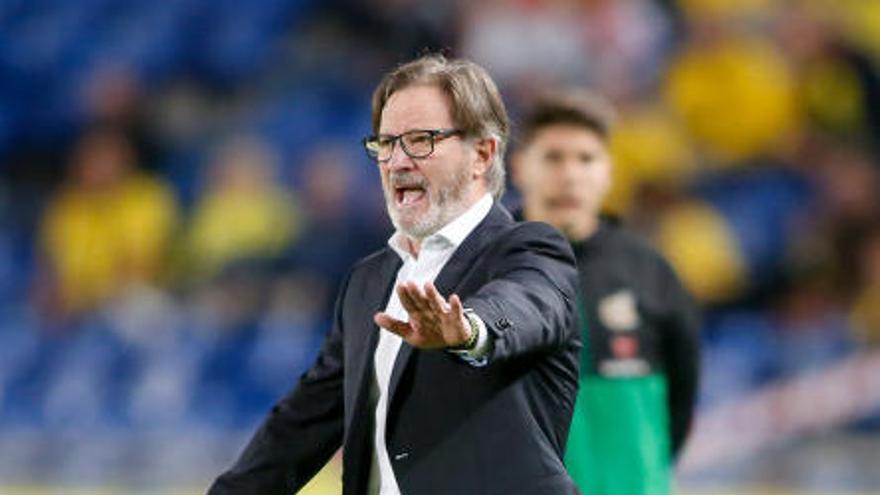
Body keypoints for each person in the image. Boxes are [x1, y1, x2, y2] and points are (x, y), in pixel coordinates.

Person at [208, 54, 582, 495]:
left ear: (482, 153)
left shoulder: (530, 248)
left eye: (421, 140)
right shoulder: (368, 282)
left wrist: (468, 330)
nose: (397, 161)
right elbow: (299, 429)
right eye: (386, 143)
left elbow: (526, 306)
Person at [511, 89, 701, 495]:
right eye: (553, 157)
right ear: (519, 168)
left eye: (586, 158)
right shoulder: (485, 264)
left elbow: (681, 398)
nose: (570, 173)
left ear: (608, 172)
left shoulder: (650, 271)